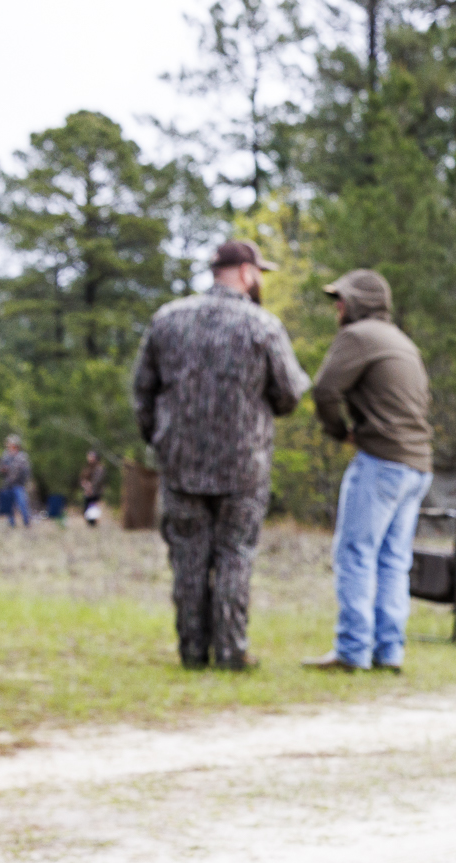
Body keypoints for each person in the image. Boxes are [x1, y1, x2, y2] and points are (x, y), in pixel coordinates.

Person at [131, 238, 311, 669]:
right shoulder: (263, 326)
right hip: (243, 466)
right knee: (235, 556)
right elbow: (290, 393)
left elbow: (142, 391)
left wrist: (160, 439)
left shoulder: (167, 319)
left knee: (188, 558)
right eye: (259, 273)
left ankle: (192, 651)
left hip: (181, 463)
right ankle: (231, 652)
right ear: (247, 272)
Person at [303, 269, 434, 674]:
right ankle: (389, 652)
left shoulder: (358, 336)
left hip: (381, 463)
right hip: (418, 466)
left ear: (359, 302)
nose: (337, 308)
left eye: (341, 299)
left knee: (356, 554)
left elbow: (325, 390)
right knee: (394, 561)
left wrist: (339, 431)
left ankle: (352, 651)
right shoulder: (403, 342)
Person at [0, 436, 32, 526]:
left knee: (22, 504)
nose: (9, 446)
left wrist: (24, 481)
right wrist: (2, 470)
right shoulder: (5, 457)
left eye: (11, 444)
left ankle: (27, 522)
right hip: (7, 485)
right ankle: (11, 524)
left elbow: (26, 471)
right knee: (9, 506)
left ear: (16, 445)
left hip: (19, 485)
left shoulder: (22, 457)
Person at [79, 451, 107, 526]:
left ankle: (93, 524)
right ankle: (90, 523)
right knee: (86, 509)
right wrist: (85, 485)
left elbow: (98, 480)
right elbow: (82, 478)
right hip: (87, 491)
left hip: (95, 492)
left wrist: (91, 487)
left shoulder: (99, 468)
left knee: (94, 509)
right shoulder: (87, 468)